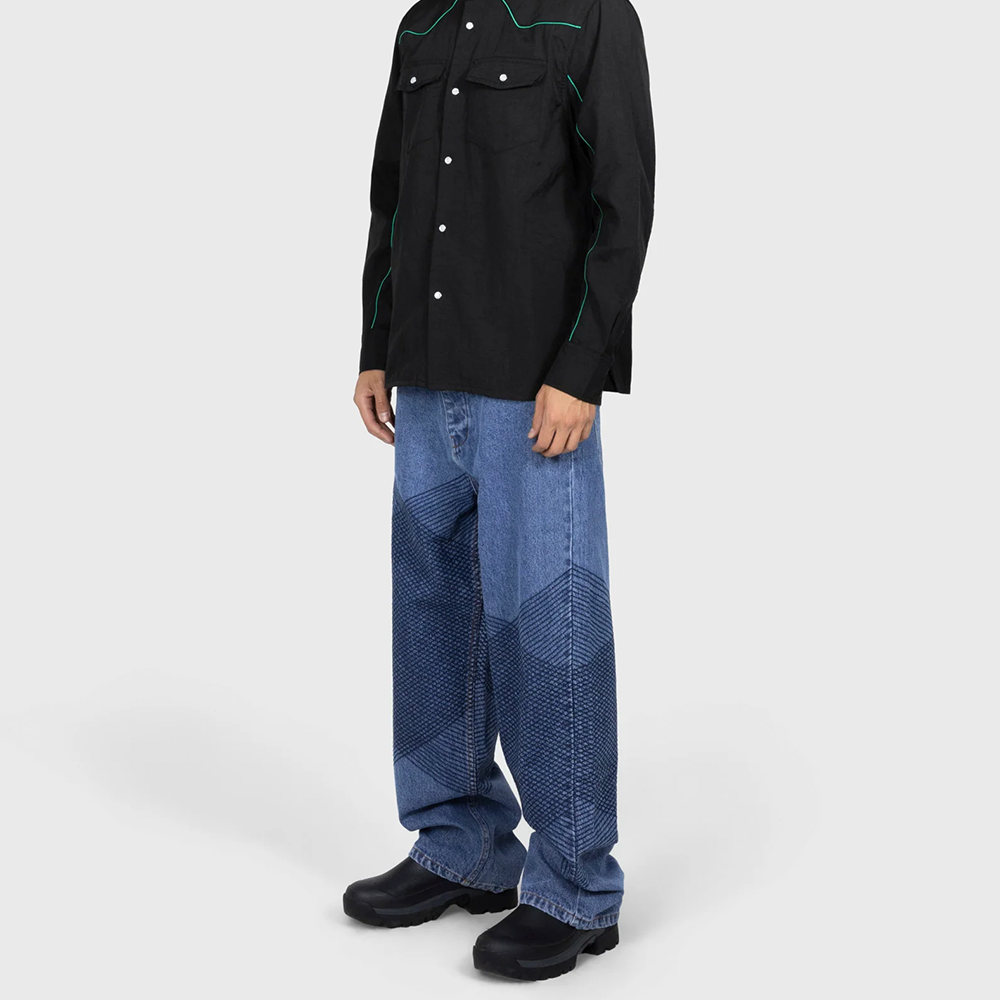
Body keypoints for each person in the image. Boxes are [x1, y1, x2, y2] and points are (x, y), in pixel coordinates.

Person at [344, 0, 655, 981]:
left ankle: (577, 889)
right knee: (432, 615)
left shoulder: (592, 18)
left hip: (534, 389)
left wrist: (581, 368)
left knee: (550, 628)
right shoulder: (423, 25)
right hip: (425, 377)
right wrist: (375, 346)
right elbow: (392, 198)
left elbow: (623, 199)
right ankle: (460, 842)